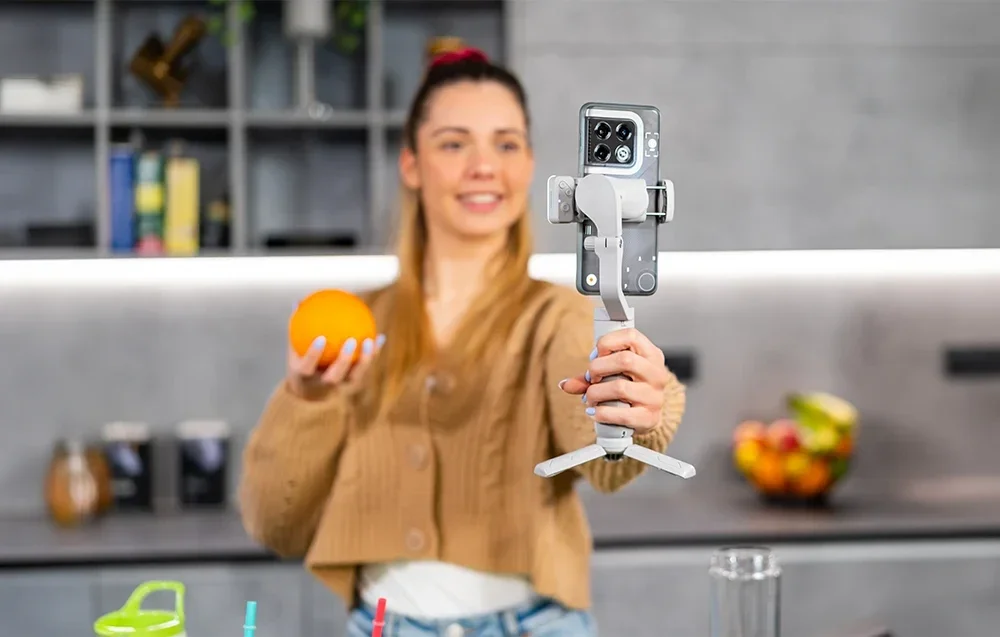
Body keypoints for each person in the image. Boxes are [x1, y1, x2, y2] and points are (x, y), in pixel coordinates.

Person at [238, 47, 687, 637]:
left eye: (506, 144)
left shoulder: (559, 317)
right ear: (412, 165)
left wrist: (636, 411)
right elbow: (276, 527)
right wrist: (308, 400)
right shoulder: (354, 325)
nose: (483, 167)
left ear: (530, 165)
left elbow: (604, 462)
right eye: (454, 144)